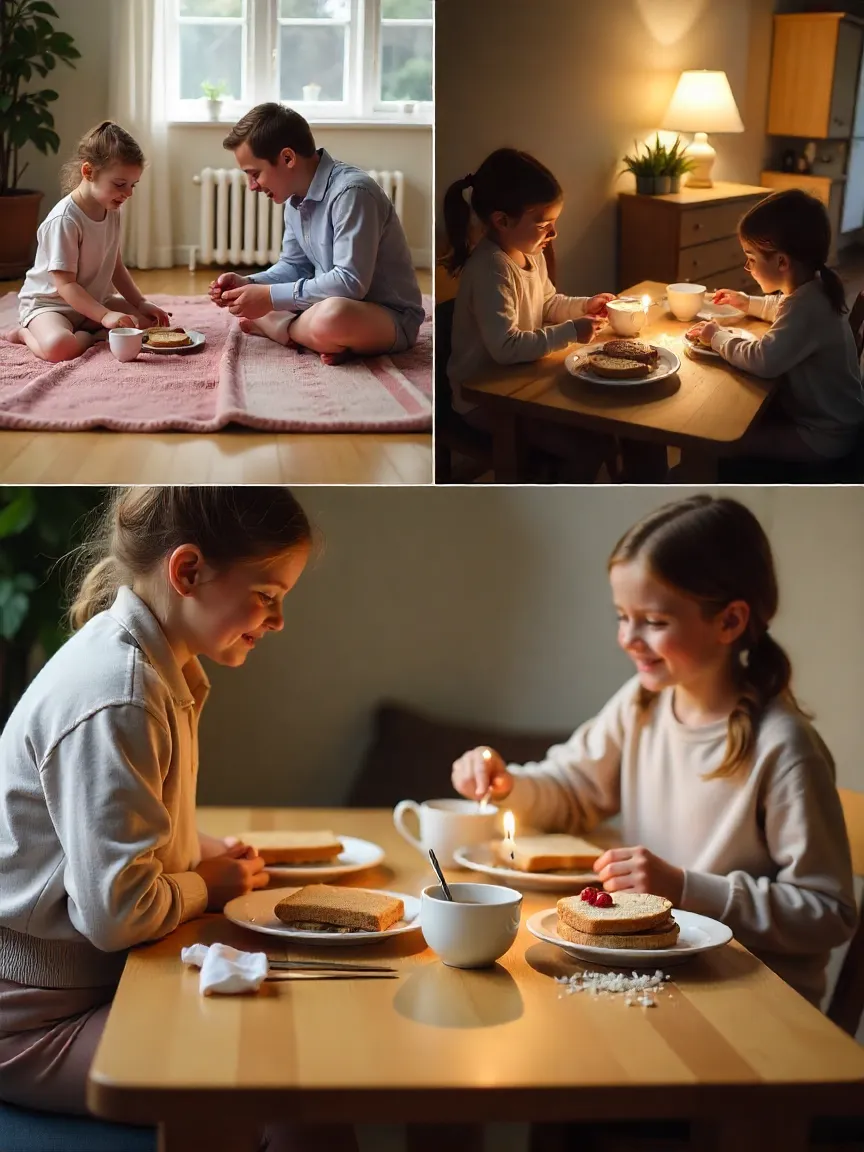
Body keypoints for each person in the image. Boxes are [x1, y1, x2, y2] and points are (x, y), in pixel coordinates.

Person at [0, 486, 356, 1151]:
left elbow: (122, 840)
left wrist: (204, 849)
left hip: (93, 990)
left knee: (305, 1061)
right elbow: (115, 914)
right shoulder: (121, 692)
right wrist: (207, 886)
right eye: (268, 596)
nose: (278, 621)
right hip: (28, 1022)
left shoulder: (160, 667)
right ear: (187, 571)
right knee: (290, 1090)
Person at [452, 493, 856, 1006]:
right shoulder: (643, 703)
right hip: (656, 984)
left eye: (654, 622)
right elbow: (573, 790)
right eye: (622, 615)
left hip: (751, 1002)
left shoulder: (784, 748)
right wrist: (510, 782)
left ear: (729, 622)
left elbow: (828, 912)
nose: (628, 638)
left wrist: (688, 888)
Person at [442, 148, 665, 481]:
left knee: (618, 427)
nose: (553, 234)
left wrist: (583, 306)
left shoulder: (531, 252)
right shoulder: (491, 269)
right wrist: (571, 332)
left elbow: (547, 304)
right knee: (588, 446)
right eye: (545, 225)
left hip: (521, 379)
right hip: (485, 399)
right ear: (502, 220)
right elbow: (504, 347)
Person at [210, 103, 424, 364]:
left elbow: (350, 283)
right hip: (327, 304)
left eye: (255, 174)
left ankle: (284, 330)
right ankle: (319, 337)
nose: (252, 186)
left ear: (288, 158)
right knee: (261, 302)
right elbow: (293, 266)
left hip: (388, 316)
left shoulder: (352, 193)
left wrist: (268, 298)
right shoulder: (294, 201)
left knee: (331, 316)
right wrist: (250, 285)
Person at [687, 190, 864, 463]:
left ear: (782, 261)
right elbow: (782, 309)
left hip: (824, 435)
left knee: (722, 441)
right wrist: (747, 303)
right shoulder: (814, 288)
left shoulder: (807, 307)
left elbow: (763, 360)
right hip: (828, 418)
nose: (747, 266)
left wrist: (717, 337)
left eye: (752, 258)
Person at [5, 122, 171, 362]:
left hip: (93, 303)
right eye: (120, 184)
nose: (128, 193)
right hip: (52, 306)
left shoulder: (112, 209)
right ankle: (26, 333)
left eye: (132, 185)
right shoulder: (65, 220)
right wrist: (105, 316)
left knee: (145, 323)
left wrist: (141, 302)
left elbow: (115, 265)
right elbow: (66, 285)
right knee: (59, 348)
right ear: (88, 172)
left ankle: (91, 329)